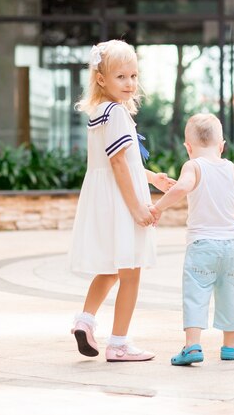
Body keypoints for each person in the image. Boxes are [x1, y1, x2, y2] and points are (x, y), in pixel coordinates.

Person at [69, 40, 175, 362]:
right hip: (120, 201)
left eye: (133, 76)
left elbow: (120, 162)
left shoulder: (101, 112)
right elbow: (117, 165)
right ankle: (118, 343)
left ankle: (85, 321)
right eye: (121, 77)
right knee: (130, 272)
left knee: (113, 268)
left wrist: (152, 177)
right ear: (101, 79)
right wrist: (137, 208)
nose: (129, 83)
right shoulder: (115, 113)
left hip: (107, 197)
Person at [150, 113, 234, 366]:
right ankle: (230, 346)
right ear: (222, 145)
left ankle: (192, 346)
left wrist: (158, 207)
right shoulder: (231, 167)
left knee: (196, 292)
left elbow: (182, 188)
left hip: (202, 244)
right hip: (230, 245)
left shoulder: (193, 166)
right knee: (229, 292)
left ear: (188, 147)